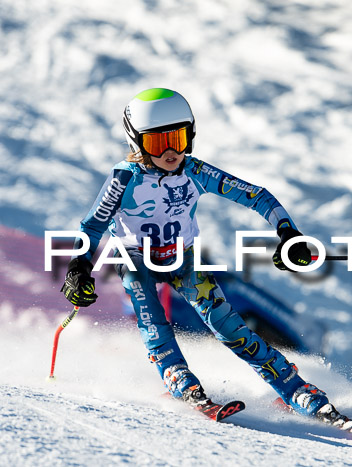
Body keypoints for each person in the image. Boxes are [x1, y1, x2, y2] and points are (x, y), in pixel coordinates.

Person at [60, 87, 338, 421]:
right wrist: (79, 266)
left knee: (232, 331)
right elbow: (92, 226)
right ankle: (182, 381)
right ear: (137, 143)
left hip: (184, 260)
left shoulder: (195, 172)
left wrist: (288, 232)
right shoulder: (124, 179)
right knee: (155, 327)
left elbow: (258, 196)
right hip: (136, 262)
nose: (169, 152)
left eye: (176, 138)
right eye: (156, 143)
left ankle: (297, 390)